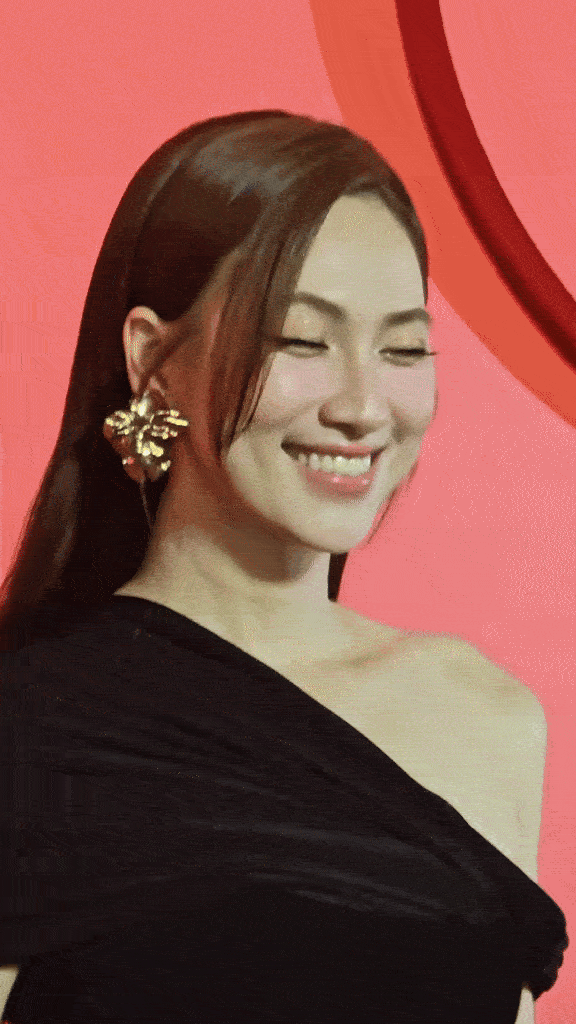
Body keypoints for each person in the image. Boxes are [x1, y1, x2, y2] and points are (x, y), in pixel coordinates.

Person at [0, 110, 567, 1024]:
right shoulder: (31, 726)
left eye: (404, 348)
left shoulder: (485, 716)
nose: (364, 406)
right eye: (302, 340)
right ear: (152, 361)